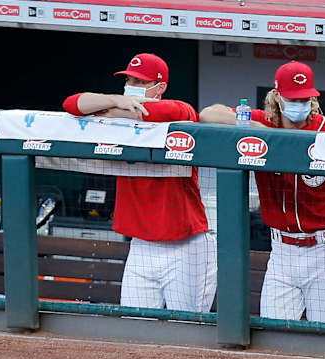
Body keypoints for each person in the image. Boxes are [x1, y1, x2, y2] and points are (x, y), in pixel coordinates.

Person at [62, 53, 216, 313]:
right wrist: (116, 101)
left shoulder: (181, 111)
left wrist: (110, 111)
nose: (132, 85)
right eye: (130, 79)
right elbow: (72, 104)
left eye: (141, 82)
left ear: (160, 87)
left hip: (186, 246)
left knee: (188, 329)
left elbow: (159, 111)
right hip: (141, 246)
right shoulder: (120, 110)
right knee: (135, 327)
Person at [200, 61, 325, 324]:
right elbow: (209, 114)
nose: (301, 104)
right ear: (278, 96)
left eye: (306, 98)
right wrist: (264, 132)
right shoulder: (261, 121)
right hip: (281, 250)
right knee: (274, 330)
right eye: (294, 98)